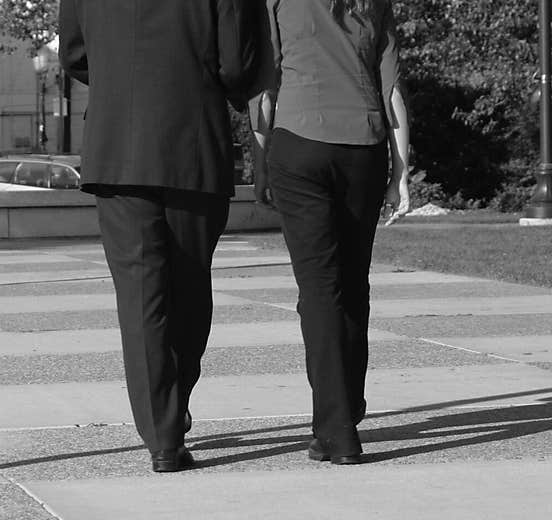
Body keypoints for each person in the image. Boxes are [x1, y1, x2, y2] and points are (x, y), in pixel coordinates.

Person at [58, 0, 263, 472]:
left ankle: (163, 434)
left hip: (116, 143)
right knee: (190, 289)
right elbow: (236, 63)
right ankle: (173, 404)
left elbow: (73, 55)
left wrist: (123, 80)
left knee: (140, 298)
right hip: (191, 142)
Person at [250, 0, 410, 464]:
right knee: (353, 281)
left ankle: (336, 428)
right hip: (363, 146)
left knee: (320, 288)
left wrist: (260, 164)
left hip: (299, 140)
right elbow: (393, 90)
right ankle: (348, 407)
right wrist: (401, 173)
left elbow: (265, 87)